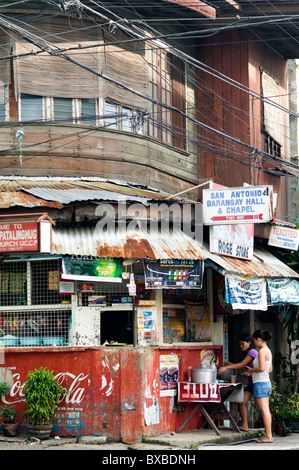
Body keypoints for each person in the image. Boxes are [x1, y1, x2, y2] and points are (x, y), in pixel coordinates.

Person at [218, 333, 257, 431]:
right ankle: (245, 425)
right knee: (242, 402)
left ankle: (267, 431)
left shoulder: (252, 352)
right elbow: (243, 365)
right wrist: (231, 364)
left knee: (261, 407)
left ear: (249, 342)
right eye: (240, 344)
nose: (241, 346)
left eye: (243, 344)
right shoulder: (249, 352)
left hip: (256, 382)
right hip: (251, 383)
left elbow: (241, 365)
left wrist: (226, 367)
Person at [245, 329, 273, 443]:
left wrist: (252, 369)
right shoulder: (268, 351)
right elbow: (269, 369)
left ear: (258, 339)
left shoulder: (261, 351)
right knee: (266, 410)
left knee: (264, 411)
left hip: (261, 383)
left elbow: (261, 368)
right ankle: (268, 435)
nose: (253, 343)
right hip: (265, 382)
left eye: (254, 340)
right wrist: (254, 371)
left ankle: (268, 436)